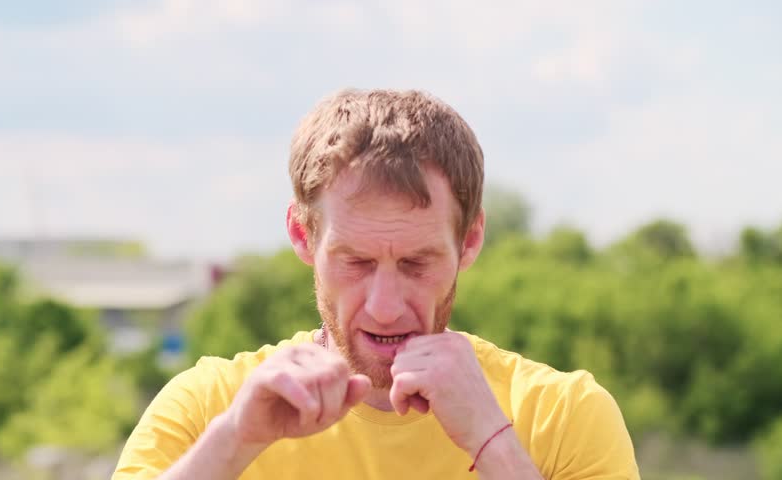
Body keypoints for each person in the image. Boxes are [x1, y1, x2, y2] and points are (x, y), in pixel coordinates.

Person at [112, 89, 640, 480]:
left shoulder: (565, 415)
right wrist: (235, 442)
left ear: (471, 239)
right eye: (357, 261)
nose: (385, 308)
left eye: (416, 263)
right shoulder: (209, 408)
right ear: (302, 234)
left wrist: (493, 442)